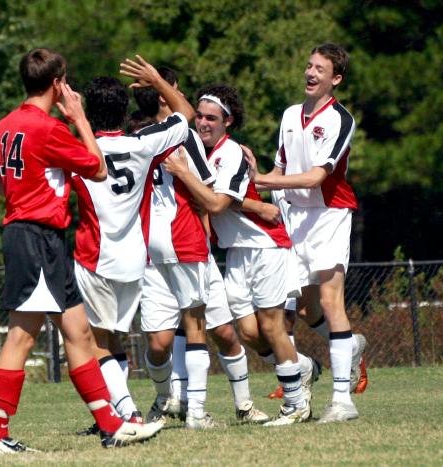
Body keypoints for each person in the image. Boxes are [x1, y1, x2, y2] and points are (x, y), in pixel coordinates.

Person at [0, 48, 162, 455]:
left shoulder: (7, 124)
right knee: (22, 337)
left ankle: (112, 426)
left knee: (79, 333)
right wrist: (79, 118)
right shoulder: (50, 127)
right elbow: (98, 168)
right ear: (58, 84)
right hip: (36, 238)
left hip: (42, 239)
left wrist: (18, 193)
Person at [164, 83, 317, 426]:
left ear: (227, 121)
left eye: (211, 118)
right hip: (236, 253)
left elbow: (217, 203)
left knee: (271, 326)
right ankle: (303, 367)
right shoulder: (200, 150)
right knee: (248, 333)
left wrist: (185, 174)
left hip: (265, 246)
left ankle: (295, 404)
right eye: (199, 116)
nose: (202, 123)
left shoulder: (230, 152)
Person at [133, 69, 269, 428]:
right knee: (170, 339)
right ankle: (176, 405)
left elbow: (206, 200)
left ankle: (238, 406)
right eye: (172, 90)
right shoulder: (162, 136)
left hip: (179, 246)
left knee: (220, 332)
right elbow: (206, 198)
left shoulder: (162, 138)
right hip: (168, 246)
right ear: (162, 96)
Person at [243, 43, 367, 423]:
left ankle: (343, 401)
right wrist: (256, 186)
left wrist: (259, 180)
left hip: (329, 214)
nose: (311, 73)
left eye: (320, 69)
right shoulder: (289, 115)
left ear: (336, 79)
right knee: (296, 310)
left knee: (330, 304)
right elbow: (281, 170)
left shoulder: (340, 119)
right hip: (292, 217)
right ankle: (314, 372)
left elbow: (316, 177)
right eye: (309, 65)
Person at [73, 67, 195, 429]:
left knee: (95, 342)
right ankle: (114, 409)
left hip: (95, 256)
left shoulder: (79, 150)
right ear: (124, 112)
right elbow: (185, 114)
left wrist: (72, 115)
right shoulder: (143, 143)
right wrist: (158, 82)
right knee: (115, 339)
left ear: (89, 112)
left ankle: (127, 410)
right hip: (133, 259)